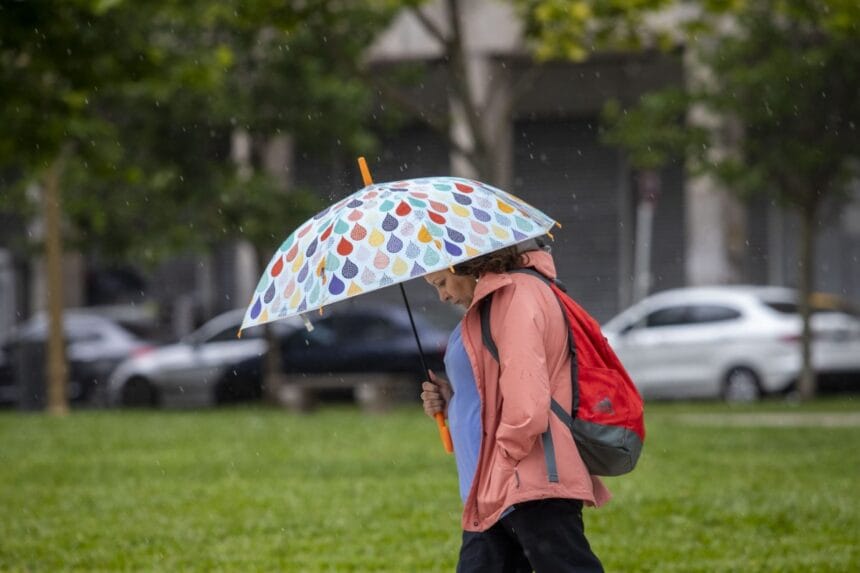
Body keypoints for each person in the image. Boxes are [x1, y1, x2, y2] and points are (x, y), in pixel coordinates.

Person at [421, 241, 609, 573]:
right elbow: (496, 389)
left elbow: (527, 404)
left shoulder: (516, 298)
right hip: (496, 489)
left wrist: (504, 460)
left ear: (460, 265)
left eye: (442, 283)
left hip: (524, 483)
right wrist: (453, 400)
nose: (443, 296)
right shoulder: (493, 303)